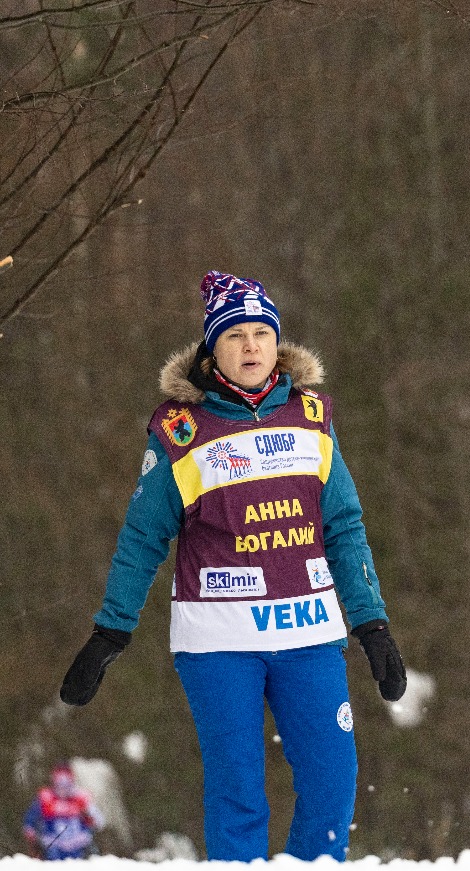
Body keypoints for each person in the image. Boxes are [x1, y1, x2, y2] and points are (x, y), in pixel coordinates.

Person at [58, 271, 407, 862]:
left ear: (278, 344)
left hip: (308, 629)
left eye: (261, 334)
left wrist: (372, 626)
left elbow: (344, 527)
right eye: (235, 335)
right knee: (239, 793)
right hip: (219, 640)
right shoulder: (179, 429)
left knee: (331, 782)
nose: (251, 347)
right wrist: (111, 630)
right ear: (211, 350)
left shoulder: (312, 416)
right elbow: (144, 536)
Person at [22, 763, 104, 860]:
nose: (63, 787)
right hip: (53, 845)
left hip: (79, 844)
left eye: (67, 782)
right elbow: (30, 820)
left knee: (91, 857)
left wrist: (89, 815)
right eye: (60, 782)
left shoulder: (81, 798)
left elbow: (99, 821)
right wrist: (31, 832)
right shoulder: (45, 798)